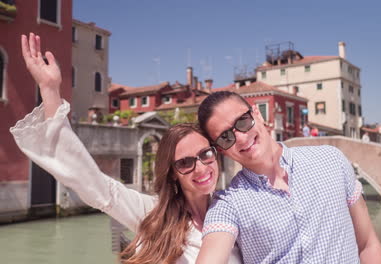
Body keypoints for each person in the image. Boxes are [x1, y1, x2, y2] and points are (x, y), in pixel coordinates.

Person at [12, 33, 242, 264]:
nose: (201, 168)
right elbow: (93, 184)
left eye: (205, 154)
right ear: (172, 172)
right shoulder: (151, 213)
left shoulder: (235, 208)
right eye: (185, 162)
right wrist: (50, 90)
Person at [195, 91, 381, 263]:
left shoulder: (331, 160)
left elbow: (368, 244)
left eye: (243, 122)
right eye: (226, 137)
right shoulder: (228, 204)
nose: (242, 138)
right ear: (222, 150)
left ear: (257, 115)